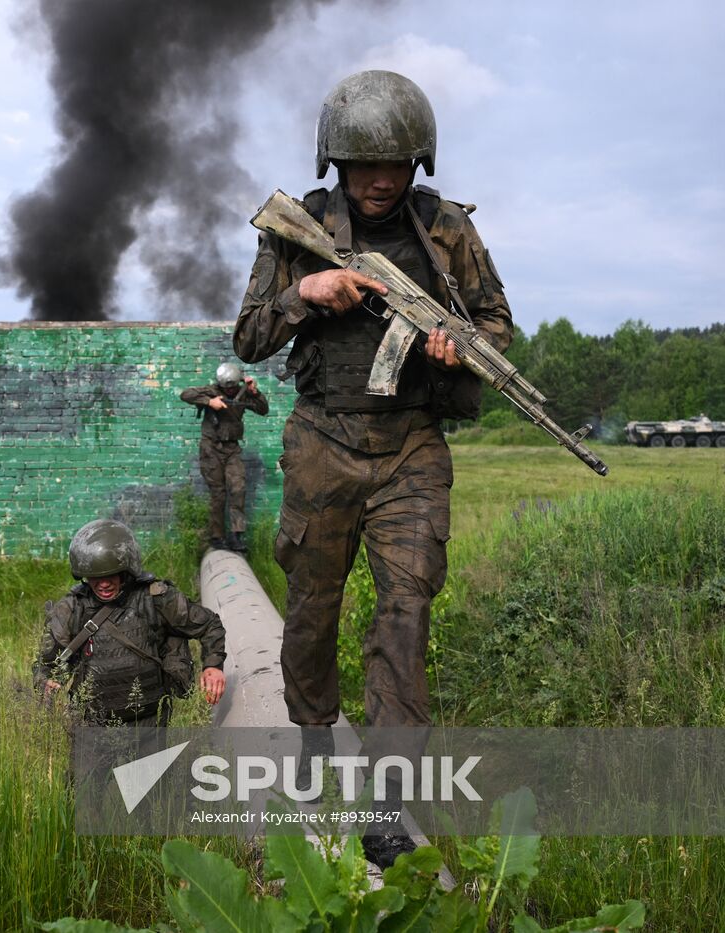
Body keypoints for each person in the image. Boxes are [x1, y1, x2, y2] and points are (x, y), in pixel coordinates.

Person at [231, 70, 513, 867]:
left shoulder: (446, 228)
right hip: (322, 441)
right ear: (336, 163)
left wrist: (463, 346)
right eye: (363, 166)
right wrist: (305, 292)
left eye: (395, 165)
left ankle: (387, 804)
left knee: (405, 616)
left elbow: (498, 320)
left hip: (413, 447)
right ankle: (314, 735)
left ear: (419, 160)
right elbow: (248, 338)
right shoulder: (299, 228)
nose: (381, 180)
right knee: (312, 609)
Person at [33, 519, 227, 727]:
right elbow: (46, 665)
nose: (104, 584)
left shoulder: (156, 598)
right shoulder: (72, 608)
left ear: (126, 571)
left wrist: (213, 666)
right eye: (95, 578)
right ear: (84, 577)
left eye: (111, 575)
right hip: (92, 726)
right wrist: (46, 682)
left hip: (149, 722)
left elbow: (209, 625)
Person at [180, 363, 270, 552]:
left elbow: (263, 409)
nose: (229, 390)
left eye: (232, 386)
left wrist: (254, 391)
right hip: (211, 448)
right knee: (218, 493)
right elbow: (185, 394)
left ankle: (236, 536)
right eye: (226, 387)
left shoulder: (243, 392)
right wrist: (209, 402)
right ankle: (217, 537)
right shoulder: (211, 391)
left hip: (232, 449)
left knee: (238, 488)